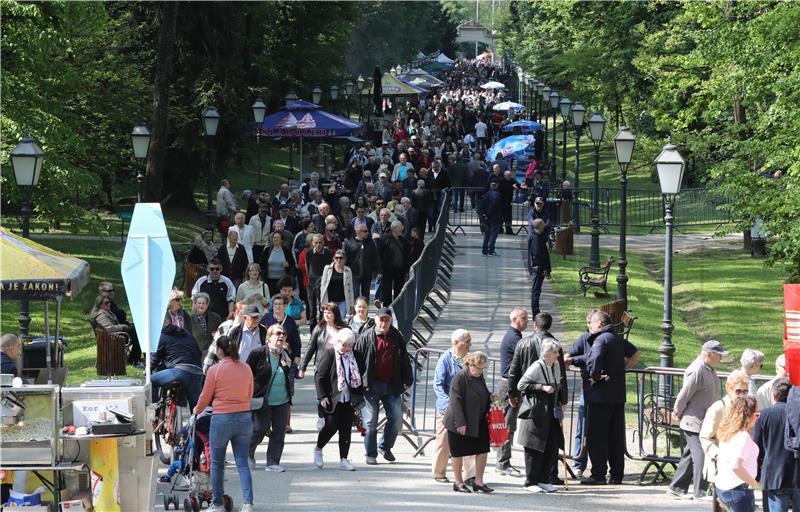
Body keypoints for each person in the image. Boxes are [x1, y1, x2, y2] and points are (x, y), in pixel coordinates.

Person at [192, 335, 254, 512]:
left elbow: (205, 397)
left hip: (222, 419)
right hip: (244, 417)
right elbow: (249, 395)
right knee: (242, 462)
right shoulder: (246, 368)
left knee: (217, 463)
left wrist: (196, 410)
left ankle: (217, 503)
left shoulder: (215, 370)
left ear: (219, 350)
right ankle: (248, 503)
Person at [667, 340, 728, 500]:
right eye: (718, 354)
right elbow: (684, 395)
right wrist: (677, 412)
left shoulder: (708, 368)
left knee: (689, 455)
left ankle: (677, 487)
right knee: (701, 453)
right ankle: (700, 491)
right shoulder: (697, 369)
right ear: (709, 354)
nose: (721, 358)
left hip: (703, 420)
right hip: (693, 421)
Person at [574, 311, 630, 485]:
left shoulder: (600, 339)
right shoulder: (618, 339)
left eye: (591, 323)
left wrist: (595, 376)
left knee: (597, 436)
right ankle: (616, 475)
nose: (589, 326)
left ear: (599, 323)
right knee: (615, 436)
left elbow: (594, 359)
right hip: (617, 394)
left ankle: (598, 474)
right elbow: (634, 353)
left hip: (600, 396)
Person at [355, 307, 413, 465]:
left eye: (387, 320)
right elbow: (357, 362)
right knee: (370, 422)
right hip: (370, 387)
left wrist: (407, 379)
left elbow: (404, 359)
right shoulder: (366, 337)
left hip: (391, 386)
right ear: (375, 320)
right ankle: (370, 453)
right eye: (381, 319)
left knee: (396, 418)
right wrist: (356, 385)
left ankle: (385, 446)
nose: (383, 323)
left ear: (390, 321)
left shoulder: (397, 337)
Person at [313, 328, 365, 471]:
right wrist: (322, 396)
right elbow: (320, 377)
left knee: (346, 428)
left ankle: (344, 459)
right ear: (337, 342)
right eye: (345, 345)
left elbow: (361, 373)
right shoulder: (329, 354)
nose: (347, 348)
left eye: (350, 345)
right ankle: (318, 448)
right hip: (333, 397)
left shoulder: (356, 356)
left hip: (349, 398)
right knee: (331, 426)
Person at [443, 351, 494, 494]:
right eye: (478, 368)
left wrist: (491, 397)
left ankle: (479, 482)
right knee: (458, 452)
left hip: (478, 419)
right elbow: (455, 402)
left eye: (483, 368)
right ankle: (458, 482)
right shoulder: (459, 378)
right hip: (459, 421)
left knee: (483, 450)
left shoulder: (479, 376)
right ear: (470, 364)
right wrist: (460, 423)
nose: (481, 371)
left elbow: (481, 392)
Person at [517, 339, 564, 493]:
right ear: (547, 354)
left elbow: (558, 387)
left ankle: (544, 479)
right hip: (536, 412)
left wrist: (560, 406)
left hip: (550, 412)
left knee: (551, 445)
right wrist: (541, 387)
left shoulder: (555, 366)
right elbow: (521, 385)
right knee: (534, 446)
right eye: (555, 352)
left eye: (558, 352)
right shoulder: (537, 366)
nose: (558, 355)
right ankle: (530, 482)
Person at [246, 324, 294, 472]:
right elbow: (247, 374)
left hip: (282, 401)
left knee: (279, 432)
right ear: (268, 337)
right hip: (262, 400)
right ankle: (247, 455)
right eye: (277, 333)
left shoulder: (285, 354)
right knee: (259, 430)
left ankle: (273, 462)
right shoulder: (258, 353)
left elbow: (289, 376)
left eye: (283, 334)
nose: (281, 336)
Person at [432, 329, 475, 484]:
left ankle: (470, 475)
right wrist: (449, 404)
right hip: (448, 409)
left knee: (469, 441)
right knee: (443, 441)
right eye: (468, 341)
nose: (470, 344)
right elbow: (438, 385)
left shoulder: (470, 360)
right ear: (457, 343)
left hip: (467, 408)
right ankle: (438, 472)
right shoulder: (445, 359)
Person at [752, 378, 797, 512]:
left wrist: (756, 474)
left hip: (774, 474)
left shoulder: (763, 416)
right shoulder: (797, 414)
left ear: (773, 395)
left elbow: (756, 447)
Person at [699, 370, 750, 487]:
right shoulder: (717, 408)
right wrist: (718, 454)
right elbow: (705, 437)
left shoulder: (747, 408)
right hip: (721, 466)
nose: (742, 395)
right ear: (729, 390)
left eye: (745, 391)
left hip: (741, 465)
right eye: (738, 391)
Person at [496, 307, 528, 478]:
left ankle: (504, 461)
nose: (526, 321)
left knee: (510, 425)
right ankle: (502, 463)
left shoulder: (515, 336)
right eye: (524, 318)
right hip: (509, 385)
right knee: (507, 426)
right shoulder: (514, 338)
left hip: (511, 385)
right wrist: (512, 393)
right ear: (515, 319)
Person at [715, 395, 760, 512]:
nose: (758, 418)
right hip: (738, 489)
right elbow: (736, 466)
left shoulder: (727, 432)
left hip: (723, 487)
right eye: (756, 415)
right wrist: (755, 484)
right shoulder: (743, 437)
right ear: (748, 416)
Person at [150, 324, 204, 410]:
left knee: (151, 381)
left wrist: (147, 370)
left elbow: (154, 360)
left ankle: (154, 409)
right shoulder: (188, 334)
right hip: (197, 372)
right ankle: (197, 422)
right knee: (197, 409)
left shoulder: (162, 336)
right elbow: (199, 353)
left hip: (179, 372)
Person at [91, 294, 142, 367]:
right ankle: (134, 360)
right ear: (100, 304)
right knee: (137, 332)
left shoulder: (106, 312)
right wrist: (123, 326)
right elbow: (109, 329)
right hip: (112, 338)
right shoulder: (101, 315)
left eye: (109, 302)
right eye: (106, 303)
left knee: (136, 331)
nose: (109, 304)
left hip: (115, 336)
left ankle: (134, 359)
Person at [377, 221, 410, 306]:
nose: (402, 228)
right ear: (394, 229)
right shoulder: (384, 239)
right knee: (387, 290)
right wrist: (379, 269)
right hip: (387, 269)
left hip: (400, 269)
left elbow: (407, 254)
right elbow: (379, 254)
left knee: (399, 289)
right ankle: (387, 307)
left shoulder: (404, 240)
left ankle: (397, 306)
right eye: (400, 227)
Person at [344, 224, 380, 302]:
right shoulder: (349, 243)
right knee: (355, 294)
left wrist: (378, 270)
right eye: (365, 231)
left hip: (367, 273)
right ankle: (356, 312)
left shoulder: (370, 242)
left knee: (366, 295)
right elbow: (345, 258)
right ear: (358, 232)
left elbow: (375, 256)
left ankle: (365, 312)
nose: (367, 233)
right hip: (354, 273)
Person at [305, 234, 332, 326]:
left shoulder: (328, 253)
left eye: (320, 242)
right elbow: (308, 268)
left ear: (323, 242)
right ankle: (313, 334)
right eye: (316, 242)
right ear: (312, 243)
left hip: (324, 284)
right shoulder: (309, 253)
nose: (318, 245)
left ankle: (321, 329)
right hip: (312, 283)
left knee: (323, 309)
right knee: (312, 310)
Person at [319, 249, 355, 318]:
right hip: (330, 301)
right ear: (333, 259)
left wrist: (352, 304)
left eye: (341, 258)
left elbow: (350, 288)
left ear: (345, 260)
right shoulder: (327, 269)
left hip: (343, 300)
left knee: (341, 320)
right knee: (331, 319)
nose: (339, 260)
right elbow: (323, 287)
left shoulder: (348, 270)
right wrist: (322, 302)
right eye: (336, 258)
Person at [258, 231, 295, 297]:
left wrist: (288, 264)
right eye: (274, 237)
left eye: (277, 237)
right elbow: (261, 264)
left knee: (282, 298)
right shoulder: (267, 250)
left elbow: (292, 263)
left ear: (281, 240)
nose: (275, 239)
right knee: (270, 298)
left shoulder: (286, 250)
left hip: (282, 281)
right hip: (269, 280)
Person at [527, 218, 551, 317]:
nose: (544, 225)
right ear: (540, 226)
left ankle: (536, 312)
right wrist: (545, 268)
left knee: (536, 291)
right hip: (537, 268)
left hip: (537, 267)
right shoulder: (535, 238)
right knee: (535, 292)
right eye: (543, 224)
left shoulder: (535, 235)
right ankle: (535, 313)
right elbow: (538, 255)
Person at [480, 181, 503, 256]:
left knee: (487, 234)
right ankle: (491, 250)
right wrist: (488, 213)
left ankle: (485, 249)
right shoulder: (497, 195)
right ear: (497, 185)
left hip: (488, 217)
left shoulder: (487, 194)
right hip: (495, 216)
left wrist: (484, 214)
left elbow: (482, 205)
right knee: (493, 234)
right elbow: (494, 205)